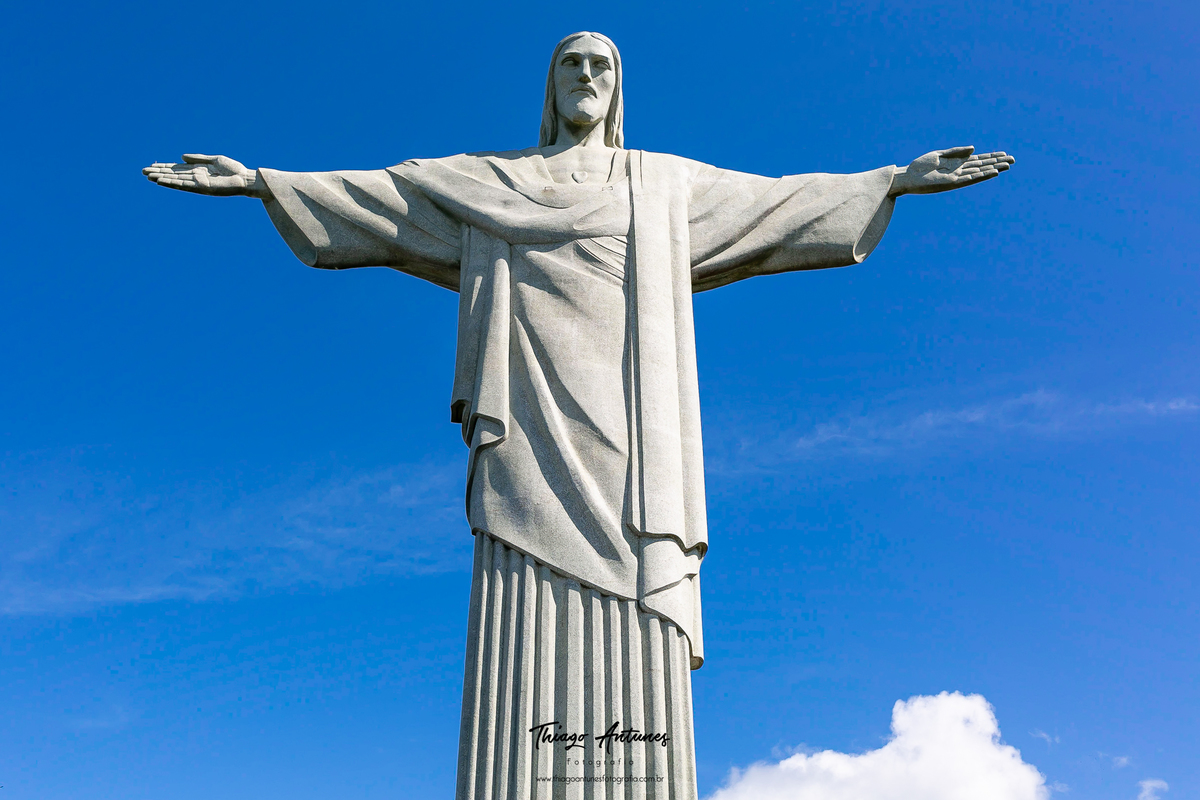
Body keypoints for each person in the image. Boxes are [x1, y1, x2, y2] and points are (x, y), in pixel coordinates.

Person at [144, 30, 1013, 800]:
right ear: (551, 86)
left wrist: (891, 179)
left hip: (635, 433)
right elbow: (381, 199)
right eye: (571, 64)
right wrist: (263, 182)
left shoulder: (663, 187)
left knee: (637, 585)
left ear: (618, 86)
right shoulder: (495, 184)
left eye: (602, 64)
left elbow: (776, 202)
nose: (587, 74)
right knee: (521, 579)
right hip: (525, 424)